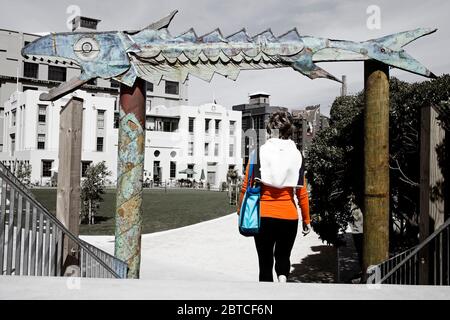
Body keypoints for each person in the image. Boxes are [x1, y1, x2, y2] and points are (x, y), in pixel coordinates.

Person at [238, 111, 311, 282]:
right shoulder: (297, 155)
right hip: (289, 216)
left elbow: (245, 186)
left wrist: (240, 210)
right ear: (289, 131)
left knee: (265, 263)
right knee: (283, 258)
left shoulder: (259, 153)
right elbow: (302, 192)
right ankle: (283, 282)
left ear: (270, 130)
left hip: (263, 215)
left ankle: (268, 300)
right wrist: (307, 220)